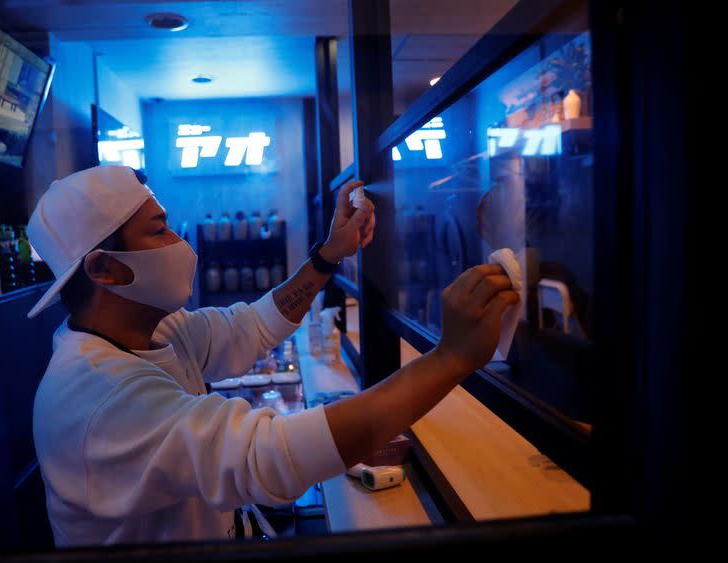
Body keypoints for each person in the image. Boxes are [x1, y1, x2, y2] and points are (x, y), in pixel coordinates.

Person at [29, 165, 518, 546]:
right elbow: (270, 456)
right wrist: (450, 359)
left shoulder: (158, 332)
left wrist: (328, 255)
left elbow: (249, 326)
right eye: (159, 232)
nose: (179, 242)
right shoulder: (96, 397)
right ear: (105, 269)